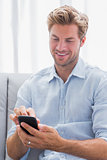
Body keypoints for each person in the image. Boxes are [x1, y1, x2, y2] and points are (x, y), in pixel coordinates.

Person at [6, 5, 107, 160]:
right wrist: (23, 131)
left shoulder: (100, 82)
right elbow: (13, 153)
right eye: (55, 39)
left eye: (69, 40)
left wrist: (59, 144)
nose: (60, 47)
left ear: (82, 41)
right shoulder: (32, 86)